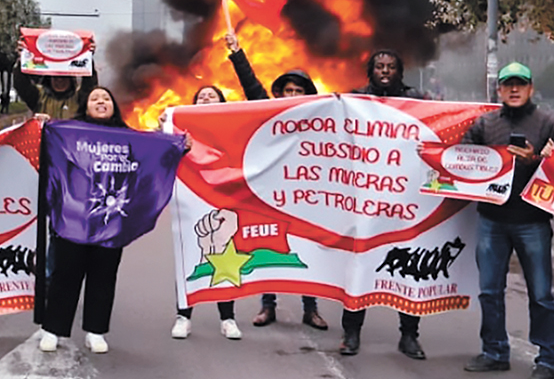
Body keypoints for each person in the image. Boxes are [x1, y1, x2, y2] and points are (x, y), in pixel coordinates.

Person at [460, 62, 554, 379]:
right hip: (492, 219)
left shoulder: (550, 123)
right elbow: (463, 158)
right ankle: (494, 352)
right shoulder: (485, 123)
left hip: (532, 222)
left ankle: (547, 358)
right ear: (499, 90)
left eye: (520, 84)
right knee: (490, 291)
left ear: (531, 88)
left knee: (540, 294)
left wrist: (537, 160)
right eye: (508, 84)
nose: (514, 89)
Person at [40, 86, 157, 354]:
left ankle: (96, 331)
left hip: (112, 220)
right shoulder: (69, 133)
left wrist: (175, 143)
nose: (101, 101)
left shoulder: (128, 137)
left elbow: (154, 157)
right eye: (95, 98)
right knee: (65, 274)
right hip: (74, 218)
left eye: (106, 98)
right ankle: (53, 329)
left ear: (114, 106)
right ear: (87, 106)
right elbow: (49, 155)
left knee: (103, 275)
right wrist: (43, 128)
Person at [225, 32, 328, 331]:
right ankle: (267, 306)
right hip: (271, 193)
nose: (292, 95)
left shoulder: (322, 120)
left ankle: (312, 308)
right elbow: (251, 86)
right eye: (288, 90)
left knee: (309, 249)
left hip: (308, 196)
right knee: (268, 244)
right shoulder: (269, 112)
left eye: (298, 90)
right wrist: (236, 53)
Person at [343, 49, 427, 359]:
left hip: (404, 199)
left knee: (407, 269)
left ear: (400, 71)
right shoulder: (355, 101)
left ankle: (409, 336)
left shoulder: (418, 101)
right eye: (379, 66)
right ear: (370, 71)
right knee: (359, 267)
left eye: (391, 66)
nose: (385, 71)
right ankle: (351, 333)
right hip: (364, 200)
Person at [170, 85, 243, 341]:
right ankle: (183, 316)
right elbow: (165, 152)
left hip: (222, 198)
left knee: (225, 257)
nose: (206, 98)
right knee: (188, 256)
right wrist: (165, 128)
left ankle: (227, 318)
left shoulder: (232, 127)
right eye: (201, 95)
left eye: (212, 95)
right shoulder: (182, 127)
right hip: (190, 199)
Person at [14, 66, 96, 121]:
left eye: (64, 76)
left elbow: (89, 84)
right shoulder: (39, 96)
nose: (59, 80)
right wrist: (22, 59)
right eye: (55, 77)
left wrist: (88, 57)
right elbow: (21, 84)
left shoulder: (79, 98)